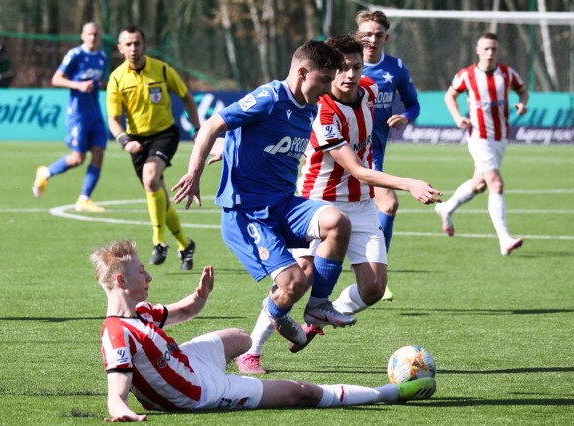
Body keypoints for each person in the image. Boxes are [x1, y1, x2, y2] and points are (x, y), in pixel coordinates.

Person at [234, 35, 442, 374]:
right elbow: (357, 168)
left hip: (361, 204)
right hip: (319, 202)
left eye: (356, 67)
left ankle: (318, 316)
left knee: (373, 289)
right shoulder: (323, 110)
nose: (349, 75)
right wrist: (408, 183)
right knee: (299, 277)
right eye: (342, 68)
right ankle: (251, 352)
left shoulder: (371, 91)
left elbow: (373, 142)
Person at [91, 240, 436, 421]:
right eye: (141, 272)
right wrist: (119, 407)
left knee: (240, 338)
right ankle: (385, 393)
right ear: (121, 281)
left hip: (188, 361)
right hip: (201, 391)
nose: (149, 277)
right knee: (299, 392)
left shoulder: (142, 313)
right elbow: (117, 382)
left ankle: (239, 361)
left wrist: (200, 297)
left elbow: (184, 312)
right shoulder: (116, 332)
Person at [172, 40, 357, 348]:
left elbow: (253, 137)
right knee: (293, 283)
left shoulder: (310, 106)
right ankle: (277, 314)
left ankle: (319, 305)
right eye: (324, 79)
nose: (328, 88)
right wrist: (195, 171)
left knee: (338, 222)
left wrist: (228, 147)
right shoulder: (269, 98)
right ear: (302, 72)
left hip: (284, 204)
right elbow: (212, 126)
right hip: (248, 212)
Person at [106, 25, 199, 270]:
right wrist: (125, 141)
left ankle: (158, 242)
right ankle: (184, 243)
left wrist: (198, 127)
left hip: (165, 135)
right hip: (136, 141)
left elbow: (186, 96)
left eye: (137, 43)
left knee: (150, 179)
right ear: (120, 49)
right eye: (128, 44)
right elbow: (113, 120)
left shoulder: (162, 69)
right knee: (157, 192)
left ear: (144, 45)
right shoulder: (116, 78)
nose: (133, 48)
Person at [435, 32, 528, 256]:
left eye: (493, 49)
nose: (489, 53)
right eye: (485, 49)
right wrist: (458, 117)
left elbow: (523, 91)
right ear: (477, 50)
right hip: (479, 137)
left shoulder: (507, 73)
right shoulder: (466, 75)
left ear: (498, 51)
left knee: (479, 185)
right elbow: (450, 96)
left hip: (501, 138)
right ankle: (504, 239)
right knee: (496, 184)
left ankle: (445, 208)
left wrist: (522, 104)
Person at [356, 10, 421, 301]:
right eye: (366, 34)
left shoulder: (395, 68)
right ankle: (373, 276)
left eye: (378, 35)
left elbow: (413, 105)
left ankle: (372, 276)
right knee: (387, 202)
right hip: (343, 150)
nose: (371, 40)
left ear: (386, 37)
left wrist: (406, 117)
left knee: (383, 206)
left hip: (372, 150)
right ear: (357, 34)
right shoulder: (344, 66)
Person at [32, 23, 107, 212]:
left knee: (99, 154)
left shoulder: (102, 57)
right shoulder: (75, 55)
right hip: (78, 114)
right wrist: (78, 85)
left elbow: (99, 82)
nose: (93, 37)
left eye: (96, 34)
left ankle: (84, 199)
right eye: (90, 34)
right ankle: (46, 172)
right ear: (82, 35)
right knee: (78, 158)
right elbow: (56, 79)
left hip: (95, 112)